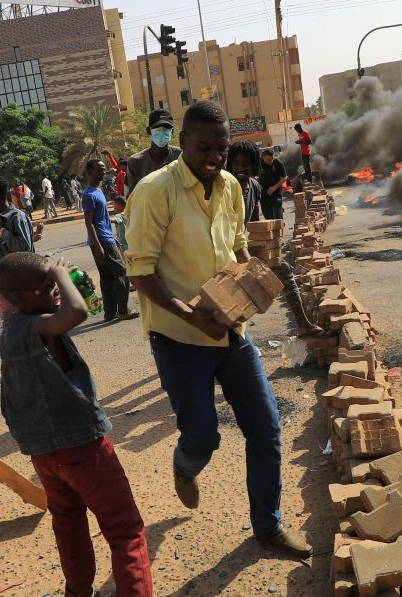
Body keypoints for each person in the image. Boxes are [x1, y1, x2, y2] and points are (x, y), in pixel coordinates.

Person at [126, 101, 309, 557]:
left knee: (266, 428)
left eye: (221, 149)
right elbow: (141, 273)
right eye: (203, 147)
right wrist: (193, 317)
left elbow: (239, 246)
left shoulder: (230, 186)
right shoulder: (155, 191)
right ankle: (185, 465)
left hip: (231, 332)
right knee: (204, 437)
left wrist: (255, 284)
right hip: (178, 336)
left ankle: (268, 527)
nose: (213, 157)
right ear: (183, 142)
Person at [0, 252, 181, 597]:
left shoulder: (10, 329)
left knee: (68, 520)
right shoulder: (40, 325)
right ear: (18, 297)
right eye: (44, 289)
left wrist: (46, 285)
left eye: (53, 286)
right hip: (82, 446)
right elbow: (78, 311)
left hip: (44, 452)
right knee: (126, 531)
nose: (54, 293)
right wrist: (60, 272)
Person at [227, 140, 328, 338]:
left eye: (245, 164)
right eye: (236, 164)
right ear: (229, 165)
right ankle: (233, 338)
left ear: (254, 165)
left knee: (282, 270)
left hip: (242, 247)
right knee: (234, 296)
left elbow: (253, 224)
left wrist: (264, 247)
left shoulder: (254, 187)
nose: (240, 168)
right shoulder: (224, 189)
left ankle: (303, 325)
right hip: (224, 253)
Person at [82, 159, 137, 322]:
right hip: (101, 241)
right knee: (122, 273)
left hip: (106, 239)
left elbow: (103, 220)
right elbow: (88, 222)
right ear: (91, 171)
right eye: (100, 169)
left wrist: (113, 238)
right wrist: (99, 246)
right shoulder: (89, 195)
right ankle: (123, 310)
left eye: (104, 169)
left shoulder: (97, 191)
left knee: (107, 278)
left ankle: (110, 312)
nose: (104, 171)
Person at [125, 109, 181, 196]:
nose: (162, 132)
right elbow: (131, 195)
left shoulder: (181, 156)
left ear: (172, 132)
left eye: (166, 129)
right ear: (148, 131)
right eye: (157, 128)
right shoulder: (135, 162)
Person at [257, 148, 287, 220]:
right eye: (268, 160)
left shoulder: (278, 164)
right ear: (263, 157)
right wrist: (258, 186)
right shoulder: (258, 164)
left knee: (277, 212)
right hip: (263, 192)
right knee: (267, 214)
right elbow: (252, 176)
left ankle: (280, 227)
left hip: (276, 190)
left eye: (272, 159)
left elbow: (284, 177)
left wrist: (274, 187)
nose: (271, 162)